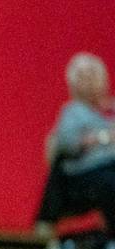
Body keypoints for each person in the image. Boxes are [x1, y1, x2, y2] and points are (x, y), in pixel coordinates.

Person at [47, 52, 115, 235]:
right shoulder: (73, 111)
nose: (89, 82)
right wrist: (102, 137)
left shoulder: (110, 109)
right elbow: (67, 143)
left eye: (93, 75)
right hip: (86, 173)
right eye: (83, 77)